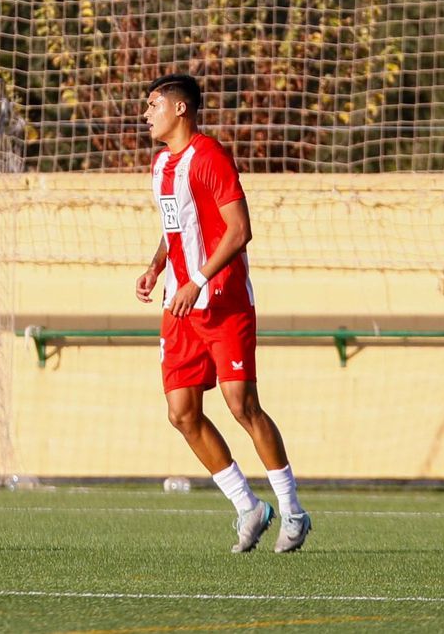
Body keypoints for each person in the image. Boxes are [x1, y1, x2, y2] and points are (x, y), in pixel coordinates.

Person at [136, 73, 310, 554]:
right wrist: (156, 267)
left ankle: (293, 511)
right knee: (182, 413)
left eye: (153, 105)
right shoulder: (160, 166)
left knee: (241, 405)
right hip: (180, 304)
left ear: (180, 109)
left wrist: (199, 280)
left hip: (223, 301)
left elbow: (239, 230)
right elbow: (175, 226)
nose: (146, 114)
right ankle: (248, 507)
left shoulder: (209, 156)